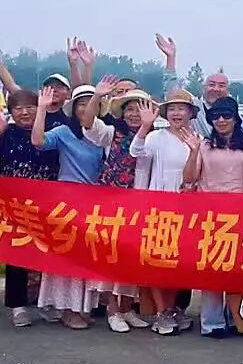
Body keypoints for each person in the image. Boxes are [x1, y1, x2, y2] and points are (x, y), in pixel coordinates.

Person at [32, 80, 117, 330]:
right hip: (68, 200)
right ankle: (66, 308)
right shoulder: (63, 132)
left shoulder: (103, 133)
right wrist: (41, 109)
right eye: (81, 103)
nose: (86, 108)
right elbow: (38, 141)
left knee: (88, 257)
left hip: (95, 202)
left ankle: (82, 307)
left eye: (91, 103)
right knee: (67, 254)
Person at [0, 88, 60, 327]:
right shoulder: (8, 132)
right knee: (16, 254)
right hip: (13, 204)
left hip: (46, 203)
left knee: (47, 254)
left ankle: (46, 303)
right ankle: (18, 306)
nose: (24, 112)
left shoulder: (52, 131)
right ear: (11, 112)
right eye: (18, 108)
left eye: (29, 107)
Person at [181, 95, 243, 338]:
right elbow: (189, 178)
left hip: (240, 212)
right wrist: (193, 151)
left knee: (237, 268)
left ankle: (236, 317)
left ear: (236, 118)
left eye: (227, 115)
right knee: (211, 267)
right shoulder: (204, 145)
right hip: (210, 212)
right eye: (216, 116)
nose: (221, 120)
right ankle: (212, 322)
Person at [131, 88, 201, 335]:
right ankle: (161, 312)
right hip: (159, 206)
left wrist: (195, 151)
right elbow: (136, 152)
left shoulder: (198, 139)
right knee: (157, 262)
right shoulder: (156, 137)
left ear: (190, 112)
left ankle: (171, 309)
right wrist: (144, 127)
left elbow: (194, 176)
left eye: (181, 108)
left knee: (178, 263)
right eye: (172, 109)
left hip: (187, 208)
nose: (177, 113)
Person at [94, 87, 154, 332]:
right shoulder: (111, 133)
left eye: (140, 109)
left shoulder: (155, 137)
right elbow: (89, 124)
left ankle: (127, 307)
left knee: (133, 258)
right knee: (110, 256)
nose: (134, 114)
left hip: (141, 204)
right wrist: (97, 96)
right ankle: (112, 309)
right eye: (129, 109)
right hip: (112, 203)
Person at [0, 34, 79, 128]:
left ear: (68, 93)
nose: (54, 90)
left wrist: (74, 63)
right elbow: (11, 86)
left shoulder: (71, 112)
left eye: (59, 87)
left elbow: (79, 89)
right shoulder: (34, 108)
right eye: (50, 87)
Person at [156, 33, 229, 137]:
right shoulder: (195, 107)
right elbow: (173, 93)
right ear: (203, 88)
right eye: (212, 84)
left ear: (228, 91)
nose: (216, 89)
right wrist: (171, 58)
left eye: (221, 85)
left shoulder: (233, 114)